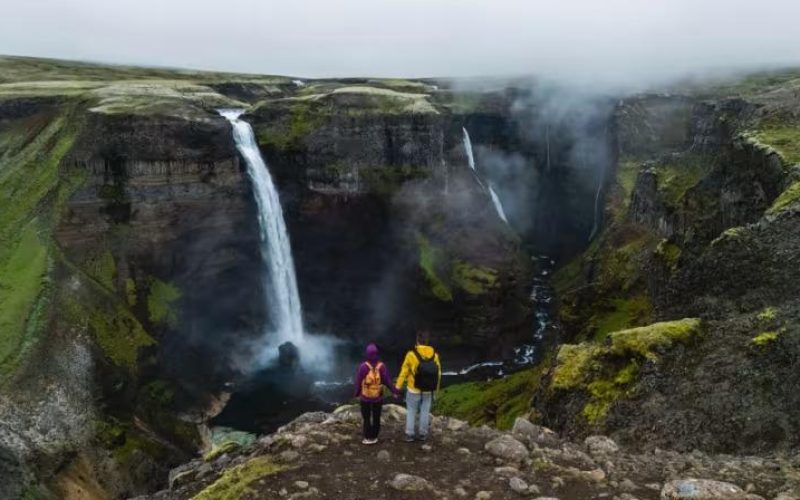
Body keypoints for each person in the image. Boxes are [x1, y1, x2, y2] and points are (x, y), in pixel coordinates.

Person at [395, 330, 441, 442]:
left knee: (411, 411)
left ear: (417, 340)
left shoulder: (411, 354)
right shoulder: (434, 355)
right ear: (427, 341)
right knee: (425, 411)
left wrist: (397, 388)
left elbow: (404, 373)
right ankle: (423, 434)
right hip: (428, 390)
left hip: (413, 389)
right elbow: (438, 373)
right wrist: (436, 390)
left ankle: (410, 434)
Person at [354, 343, 398, 445]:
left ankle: (367, 437)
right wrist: (394, 391)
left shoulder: (363, 367)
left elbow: (358, 382)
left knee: (366, 418)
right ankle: (374, 437)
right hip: (378, 397)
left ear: (367, 354)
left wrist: (357, 394)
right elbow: (387, 381)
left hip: (365, 397)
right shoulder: (381, 366)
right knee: (376, 417)